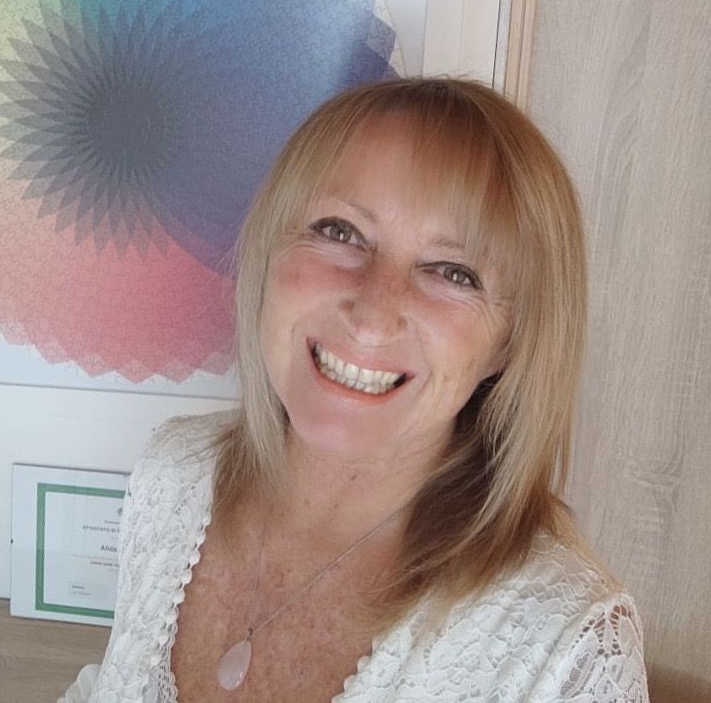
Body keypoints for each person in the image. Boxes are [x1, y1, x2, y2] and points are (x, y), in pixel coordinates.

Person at [60, 78, 649, 702]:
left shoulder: (568, 646)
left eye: (454, 273)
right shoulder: (173, 474)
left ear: (509, 343)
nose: (371, 315)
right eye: (340, 232)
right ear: (270, 250)